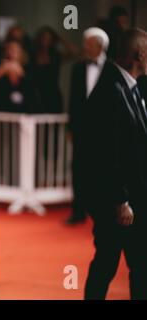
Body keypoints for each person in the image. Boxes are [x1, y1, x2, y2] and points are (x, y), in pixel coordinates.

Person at [83, 28, 147, 300]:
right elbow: (107, 152)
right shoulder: (111, 89)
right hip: (119, 202)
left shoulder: (129, 86)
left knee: (133, 265)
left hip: (133, 198)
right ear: (140, 54)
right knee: (108, 263)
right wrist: (121, 200)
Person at [66, 27, 110, 225]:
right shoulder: (77, 68)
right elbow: (73, 101)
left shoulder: (112, 70)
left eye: (90, 44)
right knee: (79, 169)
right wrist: (71, 127)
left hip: (104, 132)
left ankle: (101, 210)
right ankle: (78, 212)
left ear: (101, 46)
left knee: (102, 170)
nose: (86, 48)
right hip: (81, 130)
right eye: (85, 44)